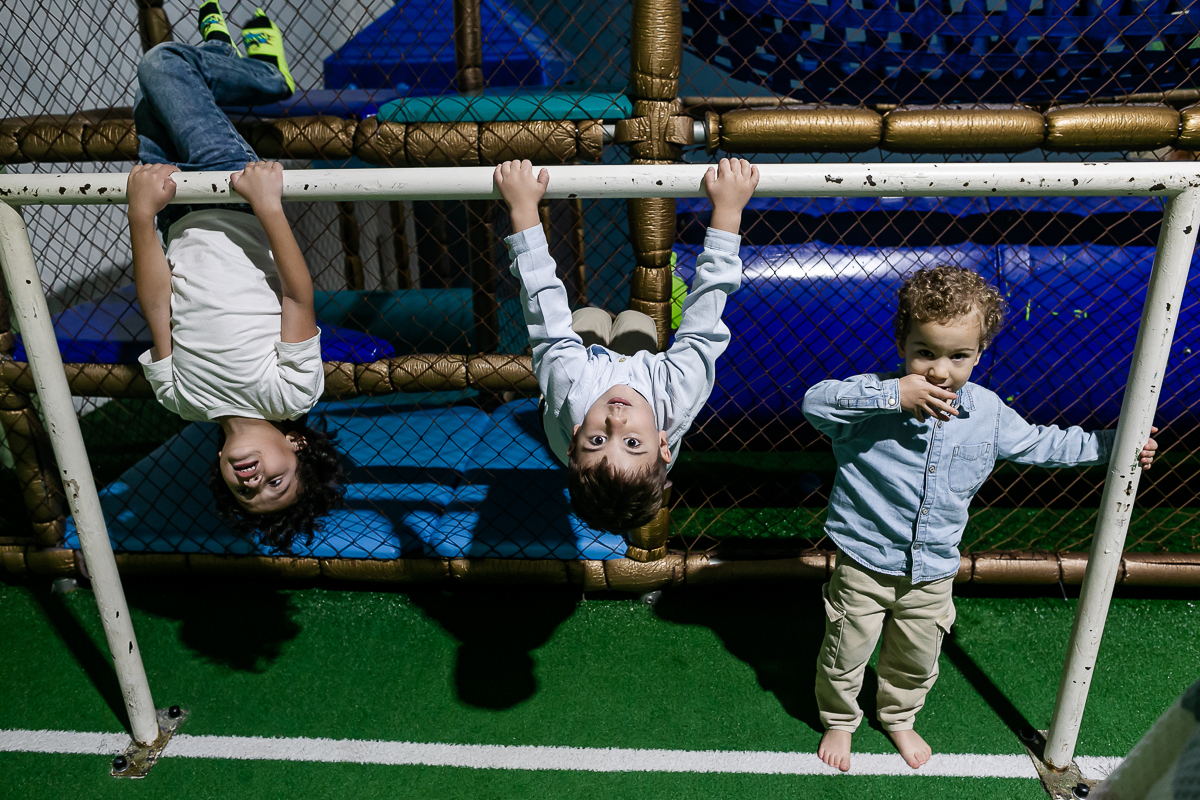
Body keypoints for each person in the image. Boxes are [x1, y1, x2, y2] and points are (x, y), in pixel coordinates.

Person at [801, 264, 1159, 772]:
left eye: (958, 356)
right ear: (902, 343)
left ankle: (899, 716)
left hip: (934, 568)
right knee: (845, 648)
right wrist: (890, 395)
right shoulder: (874, 397)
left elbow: (1043, 442)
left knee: (917, 655)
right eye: (925, 352)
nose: (940, 370)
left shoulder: (987, 412)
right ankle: (840, 718)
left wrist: (1116, 446)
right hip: (865, 559)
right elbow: (814, 403)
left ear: (979, 353)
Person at [128, 3, 342, 553]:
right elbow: (297, 295)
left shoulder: (181, 400)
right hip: (230, 192)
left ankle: (223, 51)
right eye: (277, 481)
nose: (254, 481)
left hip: (175, 214)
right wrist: (269, 206)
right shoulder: (290, 391)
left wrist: (141, 216)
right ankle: (266, 75)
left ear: (222, 472)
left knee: (152, 97)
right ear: (295, 445)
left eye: (247, 493)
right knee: (162, 64)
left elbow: (157, 306)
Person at [494, 158, 758, 532]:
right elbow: (706, 312)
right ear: (664, 445)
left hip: (582, 379)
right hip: (644, 379)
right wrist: (729, 209)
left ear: (575, 440)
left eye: (598, 439)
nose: (615, 419)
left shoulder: (567, 384)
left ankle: (603, 431)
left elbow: (543, 307)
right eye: (632, 442)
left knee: (587, 319)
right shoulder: (678, 391)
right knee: (637, 325)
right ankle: (632, 436)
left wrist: (522, 208)